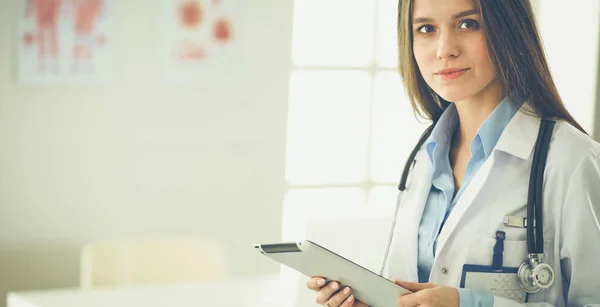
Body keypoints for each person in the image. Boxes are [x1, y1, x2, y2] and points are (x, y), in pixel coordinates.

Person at [306, 0, 600, 306]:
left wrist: (469, 304)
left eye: (467, 24)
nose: (445, 49)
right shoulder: (424, 158)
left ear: (508, 28)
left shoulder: (573, 160)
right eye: (426, 29)